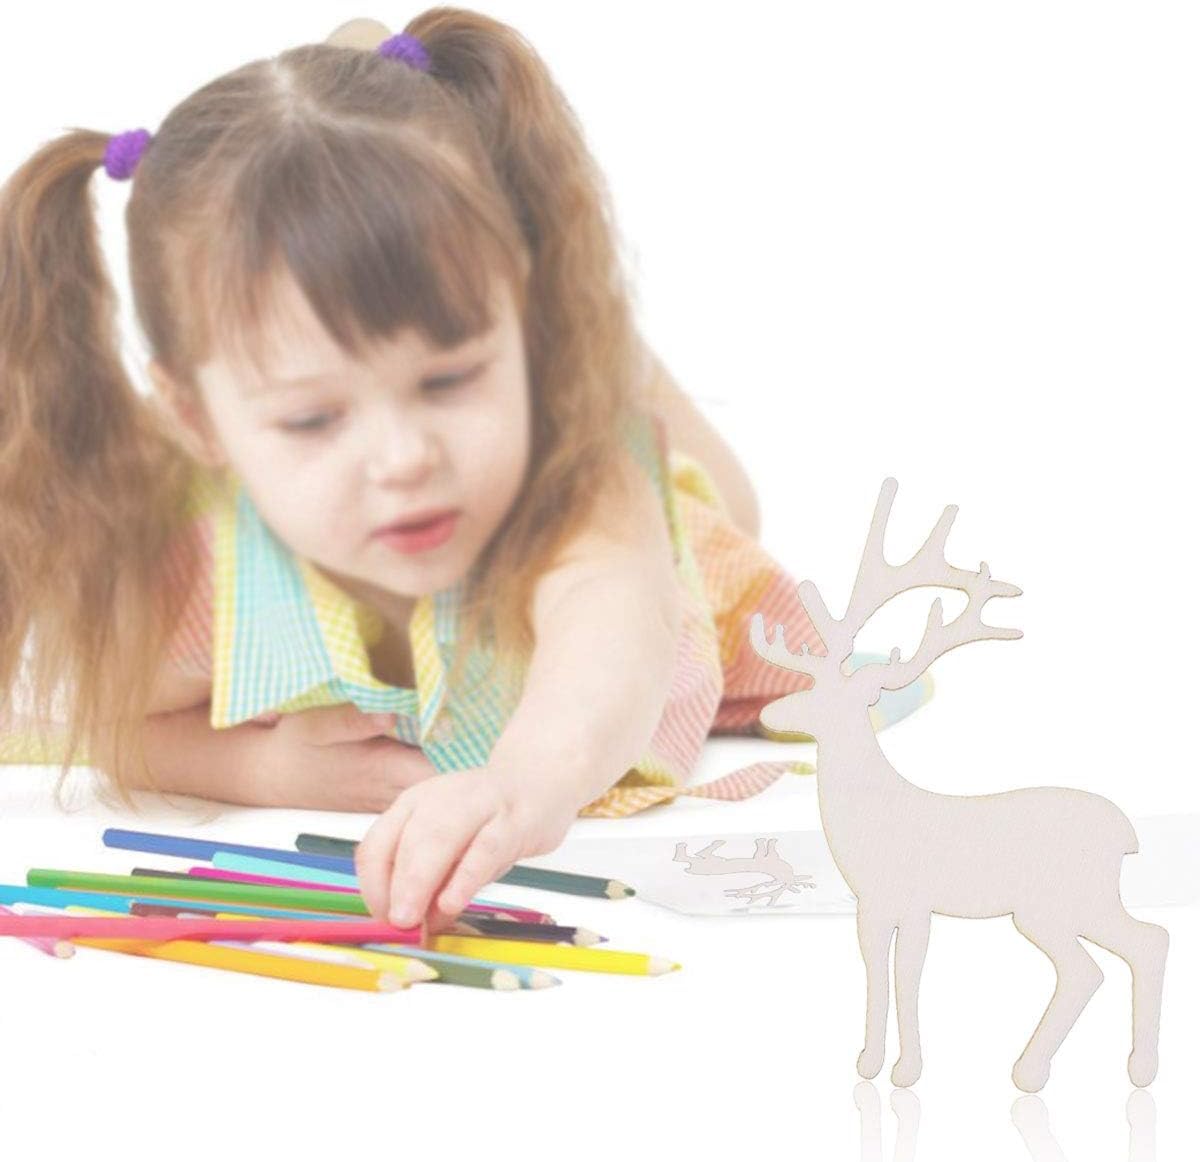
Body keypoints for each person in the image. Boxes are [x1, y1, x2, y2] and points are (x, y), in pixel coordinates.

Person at [0, 10, 932, 931]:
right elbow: (116, 722)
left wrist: (521, 784)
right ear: (199, 419)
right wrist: (262, 772)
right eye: (314, 417)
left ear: (518, 333)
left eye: (449, 378)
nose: (405, 459)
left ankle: (591, 339)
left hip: (651, 543)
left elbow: (614, 635)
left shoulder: (575, 481)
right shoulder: (197, 573)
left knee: (723, 497)